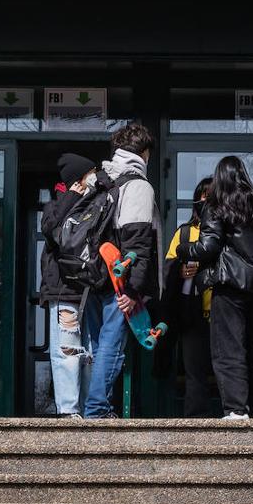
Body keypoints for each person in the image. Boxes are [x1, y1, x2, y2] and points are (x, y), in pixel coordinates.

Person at [178, 156, 253, 420]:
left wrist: (182, 249)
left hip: (229, 284)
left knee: (228, 349)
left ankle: (235, 409)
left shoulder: (217, 205)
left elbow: (208, 246)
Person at [83, 123, 161, 419]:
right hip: (118, 280)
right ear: (145, 153)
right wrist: (132, 290)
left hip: (93, 275)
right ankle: (97, 410)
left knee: (97, 345)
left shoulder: (99, 180)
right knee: (111, 347)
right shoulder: (137, 185)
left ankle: (94, 406)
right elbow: (138, 242)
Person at [39, 153, 100, 417]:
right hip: (63, 289)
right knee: (67, 348)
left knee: (88, 353)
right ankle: (68, 410)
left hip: (89, 288)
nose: (95, 176)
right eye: (91, 172)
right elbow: (51, 231)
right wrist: (71, 198)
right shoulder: (56, 206)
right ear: (78, 179)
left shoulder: (96, 204)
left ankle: (87, 408)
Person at [163, 178, 215, 417]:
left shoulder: (227, 232)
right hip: (190, 312)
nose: (207, 202)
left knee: (225, 369)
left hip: (222, 312)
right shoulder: (184, 233)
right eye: (204, 196)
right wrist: (180, 271)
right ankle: (197, 421)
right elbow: (167, 268)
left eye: (212, 196)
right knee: (194, 371)